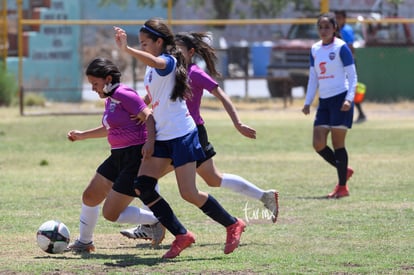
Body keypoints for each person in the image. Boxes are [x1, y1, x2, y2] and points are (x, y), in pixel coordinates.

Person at [120, 31, 278, 241]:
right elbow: (152, 95)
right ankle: (263, 196)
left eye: (179, 49)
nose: (173, 52)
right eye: (172, 48)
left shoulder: (193, 72)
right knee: (211, 179)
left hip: (189, 134)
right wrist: (137, 111)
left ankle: (154, 224)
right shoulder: (169, 70)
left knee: (150, 177)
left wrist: (237, 123)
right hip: (173, 134)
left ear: (191, 52)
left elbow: (221, 95)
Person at [113, 18, 246, 259]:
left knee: (189, 193)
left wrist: (127, 49)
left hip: (182, 135)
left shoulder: (168, 62)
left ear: (159, 41)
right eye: (140, 43)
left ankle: (232, 223)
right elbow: (155, 102)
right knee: (142, 186)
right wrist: (150, 138)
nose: (142, 46)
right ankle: (182, 235)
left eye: (145, 43)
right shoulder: (151, 69)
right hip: (163, 137)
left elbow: (155, 60)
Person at [66, 57, 165, 253]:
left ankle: (158, 219)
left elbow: (149, 117)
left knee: (113, 213)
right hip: (117, 156)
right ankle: (85, 242)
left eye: (95, 84)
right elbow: (109, 128)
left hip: (134, 157)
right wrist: (82, 135)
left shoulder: (124, 94)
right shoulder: (111, 98)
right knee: (90, 196)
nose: (93, 89)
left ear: (108, 79)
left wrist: (150, 143)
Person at [301, 13, 357, 199]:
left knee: (337, 143)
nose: (324, 30)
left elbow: (352, 76)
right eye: (321, 27)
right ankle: (343, 169)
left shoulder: (341, 47)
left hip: (341, 98)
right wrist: (308, 101)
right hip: (324, 102)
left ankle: (342, 187)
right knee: (318, 143)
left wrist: (349, 98)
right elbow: (313, 77)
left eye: (327, 27)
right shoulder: (315, 49)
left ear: (334, 28)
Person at [335, 10, 367, 123]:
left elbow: (350, 47)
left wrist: (349, 63)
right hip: (340, 64)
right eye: (336, 18)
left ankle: (359, 114)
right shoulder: (336, 30)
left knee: (349, 89)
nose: (337, 20)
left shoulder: (346, 30)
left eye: (339, 18)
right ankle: (359, 114)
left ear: (344, 19)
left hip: (348, 63)